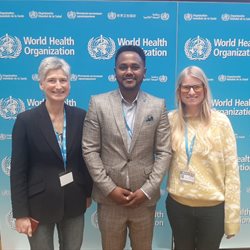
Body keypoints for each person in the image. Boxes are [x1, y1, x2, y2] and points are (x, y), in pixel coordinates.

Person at [82, 45, 172, 250]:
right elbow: (89, 150)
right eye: (123, 67)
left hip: (144, 201)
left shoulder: (158, 106)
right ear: (115, 72)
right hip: (110, 199)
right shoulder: (98, 104)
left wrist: (147, 190)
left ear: (144, 72)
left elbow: (165, 151)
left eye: (135, 66)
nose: (129, 71)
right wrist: (109, 189)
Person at [10, 57, 93, 250]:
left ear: (69, 84)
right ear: (41, 84)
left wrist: (87, 192)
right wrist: (21, 214)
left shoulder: (80, 117)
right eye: (52, 80)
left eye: (63, 80)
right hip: (38, 204)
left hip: (74, 200)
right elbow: (18, 171)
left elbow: (85, 159)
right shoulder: (26, 121)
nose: (58, 86)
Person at [166, 66, 240, 250]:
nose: (191, 92)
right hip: (178, 206)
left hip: (212, 209)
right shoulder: (170, 120)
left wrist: (232, 218)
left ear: (205, 89)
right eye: (186, 87)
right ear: (179, 91)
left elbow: (232, 173)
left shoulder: (221, 122)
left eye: (196, 87)